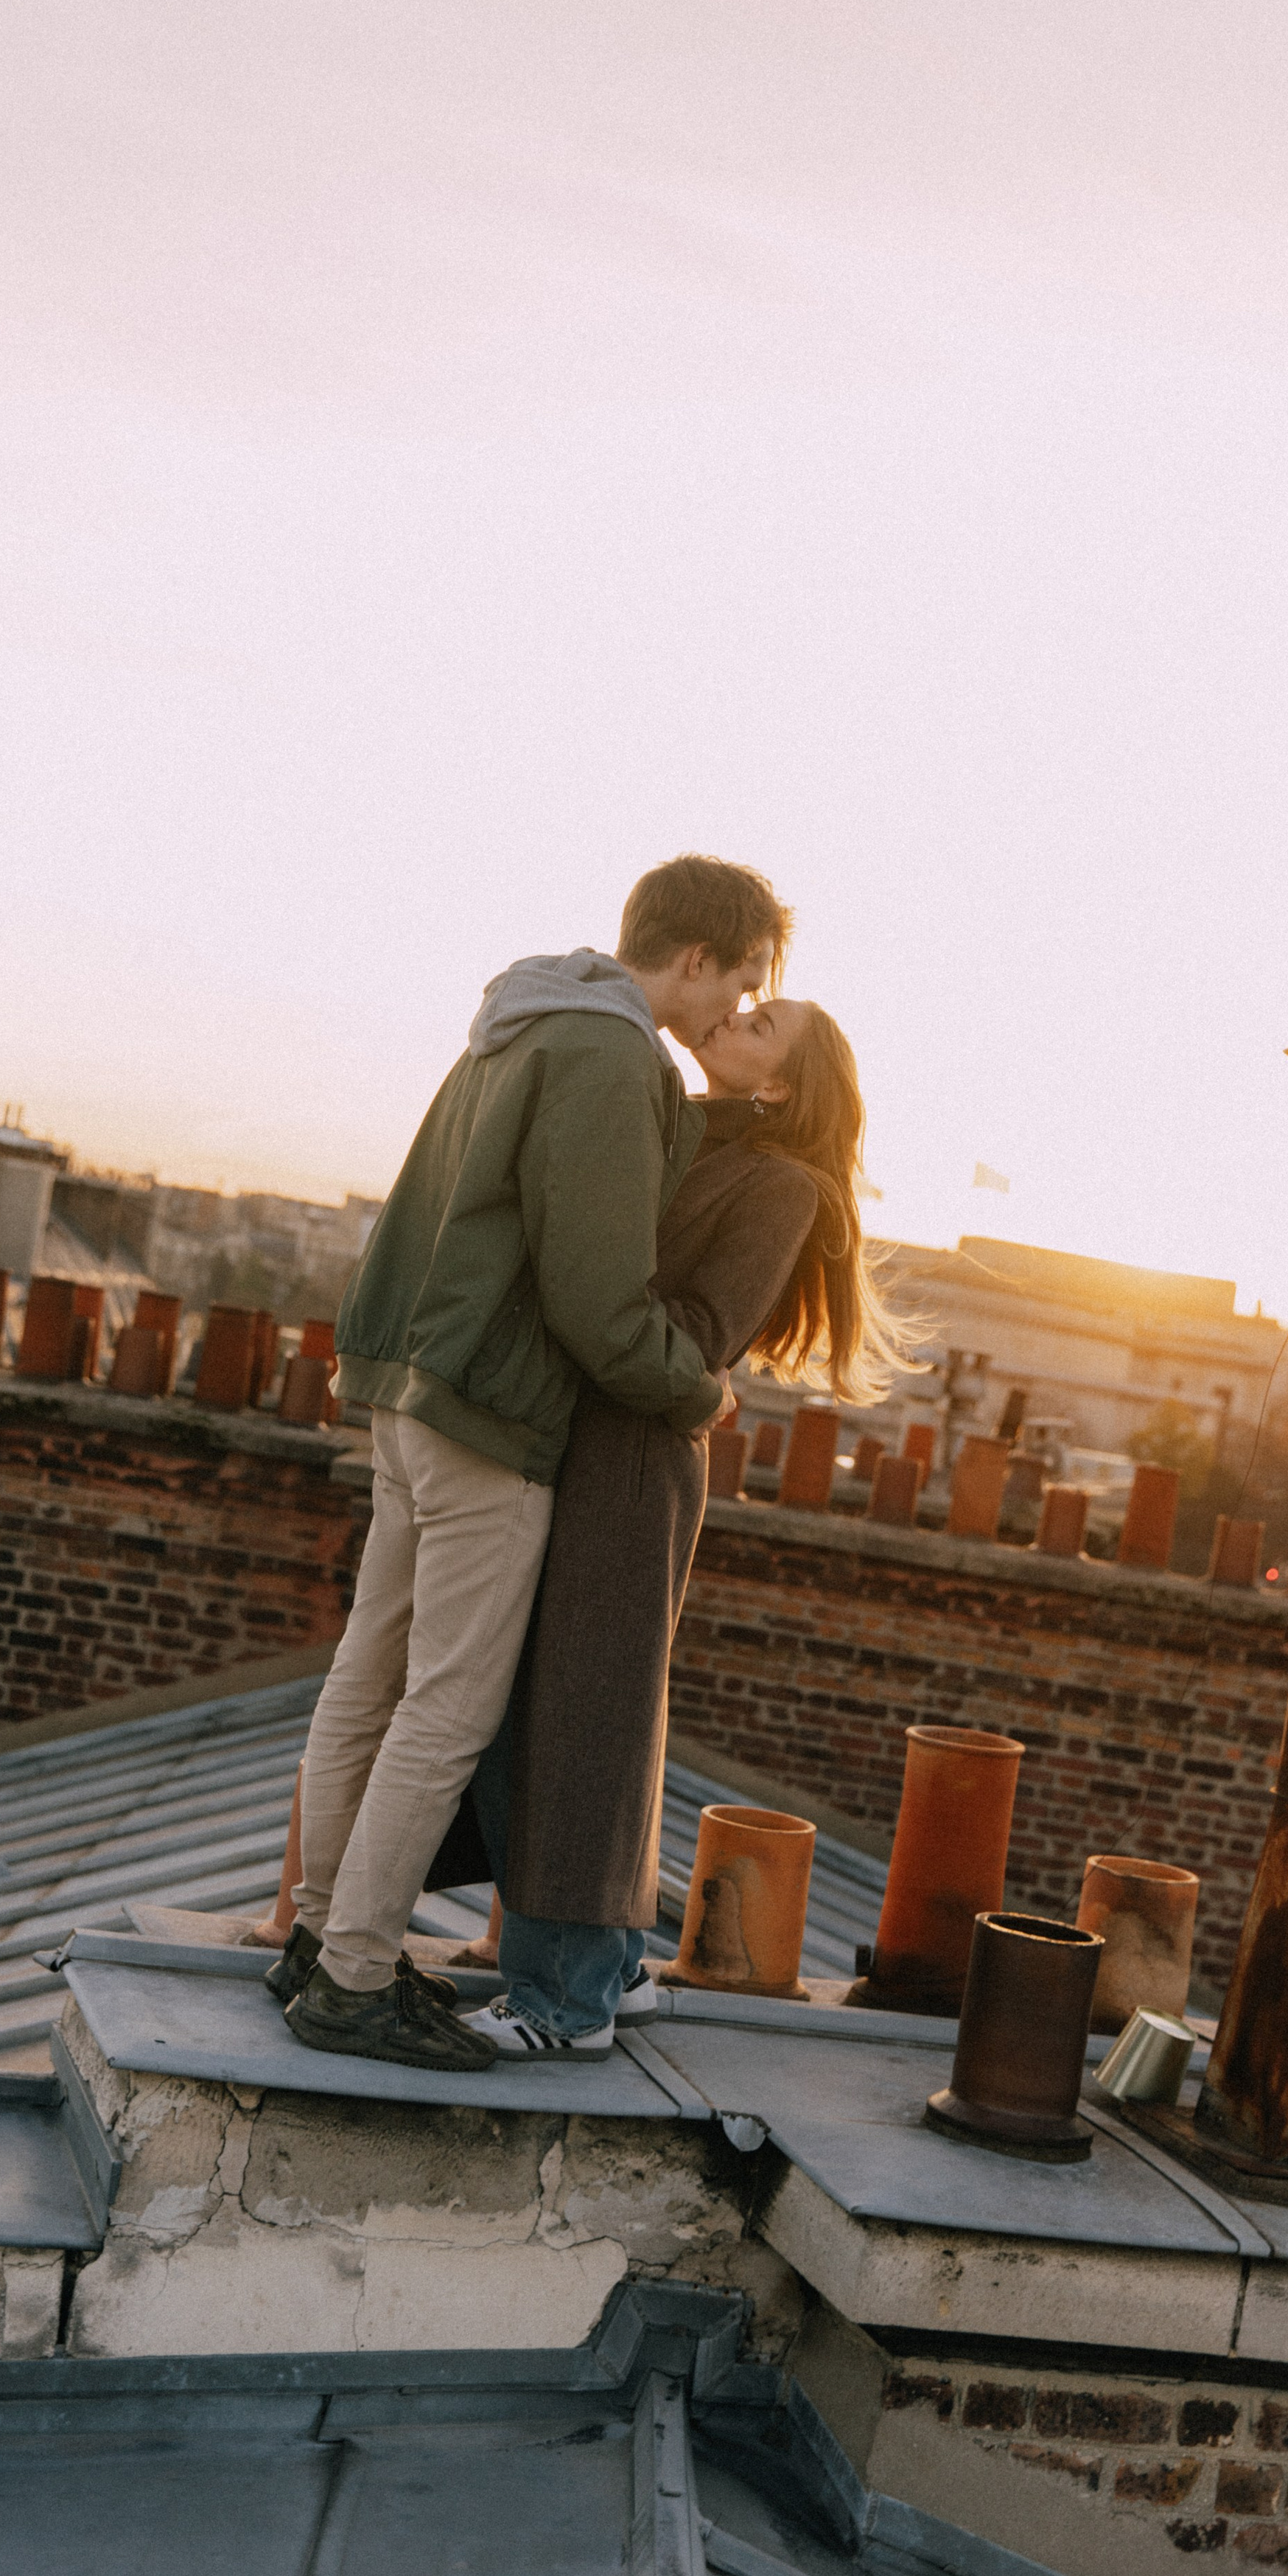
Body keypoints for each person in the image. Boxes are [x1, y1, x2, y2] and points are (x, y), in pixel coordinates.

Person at [270, 856, 792, 2073]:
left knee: (366, 1678)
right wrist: (700, 1390)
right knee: (445, 1707)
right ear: (699, 958)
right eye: (746, 980)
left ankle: (311, 1943)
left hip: (409, 1388)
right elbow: (598, 1297)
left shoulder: (522, 1020)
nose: (737, 1009)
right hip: (493, 1420)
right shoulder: (617, 1059)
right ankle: (353, 1977)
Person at [463, 997, 917, 2058]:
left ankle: (561, 2004)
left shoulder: (784, 1186)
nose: (735, 1017)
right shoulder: (678, 1129)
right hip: (594, 1441)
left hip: (635, 1457)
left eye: (763, 1023)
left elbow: (702, 1334)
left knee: (584, 1718)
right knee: (571, 1708)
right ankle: (612, 1969)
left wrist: (584, 1297)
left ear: (783, 1085)